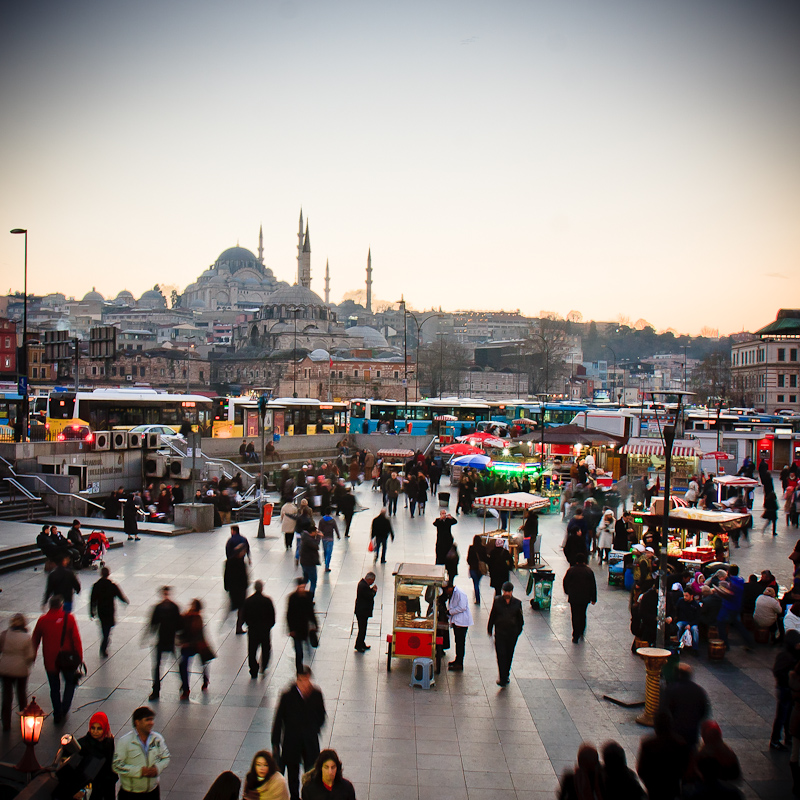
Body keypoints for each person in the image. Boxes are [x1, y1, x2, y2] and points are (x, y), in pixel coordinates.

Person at [271, 667, 327, 800]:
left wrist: (314, 728)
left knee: (311, 770)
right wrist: (275, 742)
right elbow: (279, 719)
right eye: (301, 680)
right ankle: (294, 796)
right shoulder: (287, 696)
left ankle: (309, 795)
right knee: (292, 772)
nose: (304, 684)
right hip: (292, 741)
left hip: (310, 741)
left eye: (306, 680)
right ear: (297, 680)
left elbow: (322, 715)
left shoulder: (316, 694)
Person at [32, 595, 82, 724]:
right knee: (70, 683)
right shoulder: (69, 618)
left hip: (50, 659)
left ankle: (57, 712)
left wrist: (32, 657)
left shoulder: (42, 620)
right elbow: (76, 639)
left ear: (50, 606)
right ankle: (64, 708)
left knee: (54, 687)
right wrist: (79, 657)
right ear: (61, 605)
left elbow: (35, 640)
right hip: (67, 659)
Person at [113, 706, 170, 800]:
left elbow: (166, 757)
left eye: (152, 720)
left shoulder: (157, 739)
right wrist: (140, 771)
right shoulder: (125, 742)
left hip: (152, 792)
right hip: (130, 794)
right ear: (137, 722)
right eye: (147, 720)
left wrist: (157, 768)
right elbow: (117, 765)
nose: (151, 723)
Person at [637, 712, 691, 800]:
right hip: (673, 787)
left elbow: (641, 769)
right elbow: (685, 767)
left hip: (654, 788)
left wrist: (649, 784)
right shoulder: (680, 743)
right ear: (670, 724)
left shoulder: (647, 744)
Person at [661, 663, 710, 748]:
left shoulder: (670, 689)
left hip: (675, 734)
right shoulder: (698, 691)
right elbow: (704, 711)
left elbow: (664, 711)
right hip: (692, 734)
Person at [0, 613, 34, 732]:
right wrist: (27, 664)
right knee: (21, 694)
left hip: (5, 669)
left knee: (6, 695)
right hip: (20, 670)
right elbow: (30, 655)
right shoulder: (26, 637)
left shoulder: (4, 634)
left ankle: (6, 722)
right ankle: (24, 719)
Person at [148, 586, 182, 701]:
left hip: (170, 640)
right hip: (163, 640)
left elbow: (179, 624)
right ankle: (156, 689)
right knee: (158, 666)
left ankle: (183, 684)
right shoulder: (165, 607)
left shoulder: (171, 607)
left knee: (174, 664)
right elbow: (153, 623)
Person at [487, 581, 523, 687]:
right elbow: (492, 615)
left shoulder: (517, 603)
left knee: (509, 654)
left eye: (509, 591)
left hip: (512, 634)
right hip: (500, 633)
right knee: (501, 655)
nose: (507, 593)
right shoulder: (497, 602)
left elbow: (520, 619)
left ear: (512, 592)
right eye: (505, 591)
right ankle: (502, 677)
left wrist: (517, 632)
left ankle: (506, 674)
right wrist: (490, 628)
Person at [90, 566, 129, 658]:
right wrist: (125, 601)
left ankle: (105, 639)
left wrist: (92, 611)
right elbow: (120, 595)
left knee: (104, 627)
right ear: (109, 574)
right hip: (110, 610)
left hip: (101, 611)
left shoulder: (96, 585)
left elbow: (92, 600)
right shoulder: (112, 585)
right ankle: (104, 645)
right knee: (108, 628)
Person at [179, 598, 214, 700]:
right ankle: (187, 687)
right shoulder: (188, 616)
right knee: (188, 665)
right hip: (192, 645)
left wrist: (186, 643)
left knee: (191, 664)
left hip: (195, 645)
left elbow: (197, 634)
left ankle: (202, 681)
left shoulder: (197, 618)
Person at [771, 630, 800, 750]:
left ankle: (788, 737)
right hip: (784, 688)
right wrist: (788, 677)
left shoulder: (795, 653)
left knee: (788, 715)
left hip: (790, 689)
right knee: (782, 715)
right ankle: (775, 740)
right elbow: (777, 671)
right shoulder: (785, 655)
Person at [78, 712, 118, 800]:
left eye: (99, 729)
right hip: (92, 785)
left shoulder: (109, 741)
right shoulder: (83, 744)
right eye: (93, 728)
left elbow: (110, 761)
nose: (95, 732)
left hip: (107, 784)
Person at [715, 564, 755, 651]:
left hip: (729, 607)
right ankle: (750, 642)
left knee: (720, 622)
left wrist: (721, 591)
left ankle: (725, 645)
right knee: (738, 625)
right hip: (736, 607)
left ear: (728, 572)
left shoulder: (733, 583)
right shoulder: (739, 581)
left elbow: (730, 595)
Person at [243, 580, 276, 678]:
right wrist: (269, 626)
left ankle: (253, 668)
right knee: (266, 648)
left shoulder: (248, 601)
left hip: (253, 630)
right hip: (265, 630)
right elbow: (272, 616)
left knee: (252, 650)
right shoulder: (267, 601)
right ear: (262, 588)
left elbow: (244, 616)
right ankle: (263, 665)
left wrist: (249, 624)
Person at [562, 552, 597, 643]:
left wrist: (567, 592)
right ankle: (581, 630)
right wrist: (593, 598)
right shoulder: (589, 571)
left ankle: (575, 634)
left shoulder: (571, 570)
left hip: (574, 597)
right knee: (582, 613)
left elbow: (565, 582)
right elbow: (593, 585)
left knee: (575, 615)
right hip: (585, 597)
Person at [287, 578, 318, 673]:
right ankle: (299, 669)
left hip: (304, 627)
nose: (302, 589)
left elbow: (311, 612)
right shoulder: (292, 597)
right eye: (301, 587)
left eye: (303, 587)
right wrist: (291, 629)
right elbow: (289, 615)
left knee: (303, 646)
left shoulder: (307, 596)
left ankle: (301, 665)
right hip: (296, 628)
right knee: (299, 650)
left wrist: (315, 623)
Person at [444, 582, 473, 671]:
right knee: (458, 642)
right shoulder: (453, 593)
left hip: (462, 622)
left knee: (460, 643)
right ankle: (457, 660)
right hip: (457, 622)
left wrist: (450, 612)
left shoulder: (460, 593)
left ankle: (459, 663)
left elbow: (462, 607)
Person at [224, 538, 249, 635]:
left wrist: (227, 587)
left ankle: (239, 625)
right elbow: (243, 576)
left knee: (239, 607)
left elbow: (226, 576)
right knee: (241, 608)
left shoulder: (230, 561)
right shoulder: (240, 563)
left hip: (234, 589)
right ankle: (239, 626)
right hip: (239, 589)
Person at [354, 572, 376, 653]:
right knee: (362, 629)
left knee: (363, 628)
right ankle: (358, 645)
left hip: (362, 611)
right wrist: (374, 591)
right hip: (362, 611)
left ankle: (362, 643)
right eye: (372, 580)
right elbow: (369, 596)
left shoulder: (363, 584)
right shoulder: (363, 586)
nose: (373, 582)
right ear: (369, 579)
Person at [675, 588, 701, 654]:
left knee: (695, 629)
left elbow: (698, 618)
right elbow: (676, 610)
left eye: (686, 596)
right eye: (684, 595)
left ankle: (695, 648)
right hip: (682, 621)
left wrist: (690, 624)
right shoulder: (680, 601)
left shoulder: (695, 605)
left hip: (692, 622)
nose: (685, 597)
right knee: (678, 626)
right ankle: (679, 645)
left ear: (691, 596)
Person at [467, 534, 488, 604]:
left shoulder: (471, 548)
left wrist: (471, 564)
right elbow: (485, 558)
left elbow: (468, 559)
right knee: (477, 583)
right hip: (480, 569)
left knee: (475, 583)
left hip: (473, 568)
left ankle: (478, 599)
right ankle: (477, 595)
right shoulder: (483, 548)